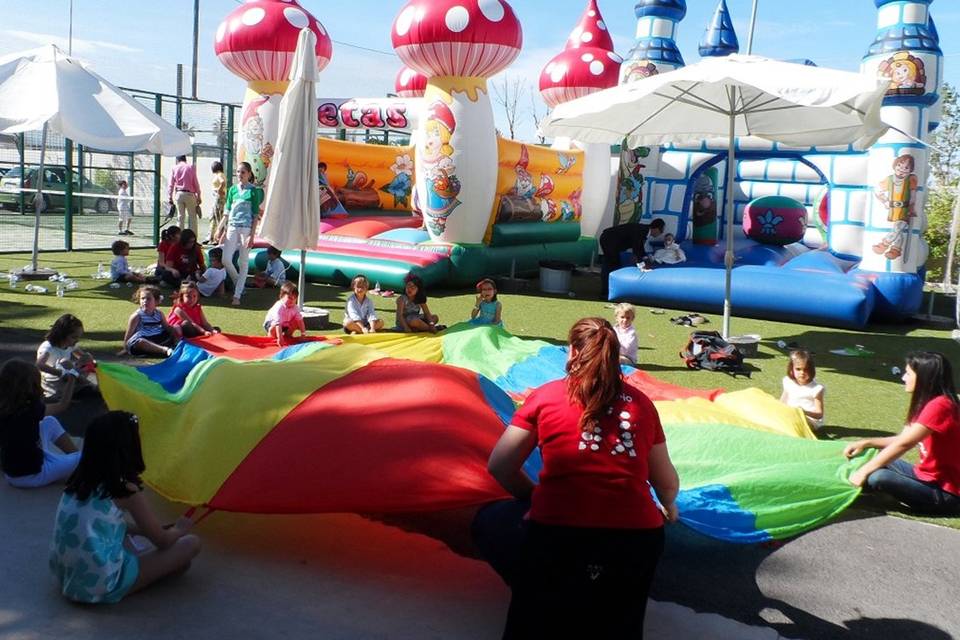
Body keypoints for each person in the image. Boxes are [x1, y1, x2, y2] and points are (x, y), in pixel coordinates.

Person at [472, 317, 679, 638]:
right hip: (635, 540)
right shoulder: (642, 405)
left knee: (490, 521)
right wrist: (669, 505)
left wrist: (531, 496)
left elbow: (500, 465)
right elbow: (666, 482)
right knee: (620, 622)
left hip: (556, 534)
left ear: (571, 351)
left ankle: (541, 594)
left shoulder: (545, 396)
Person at [49, 411, 201, 604]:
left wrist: (143, 531)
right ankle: (132, 577)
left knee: (134, 540)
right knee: (191, 544)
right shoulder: (125, 489)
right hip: (100, 585)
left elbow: (99, 523)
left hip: (67, 577)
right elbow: (163, 541)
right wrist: (180, 529)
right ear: (129, 448)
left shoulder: (77, 481)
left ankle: (140, 564)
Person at [845, 352, 960, 515]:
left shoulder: (941, 406)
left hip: (946, 493)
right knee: (869, 454)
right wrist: (866, 443)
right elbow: (902, 438)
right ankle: (874, 486)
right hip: (925, 475)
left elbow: (904, 444)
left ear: (923, 378)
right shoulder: (926, 402)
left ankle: (875, 487)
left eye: (908, 374)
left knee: (878, 476)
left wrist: (863, 472)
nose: (903, 378)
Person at [0, 359, 80, 489]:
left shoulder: (5, 407)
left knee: (49, 422)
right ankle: (79, 463)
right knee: (89, 456)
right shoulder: (30, 410)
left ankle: (73, 460)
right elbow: (62, 405)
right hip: (34, 475)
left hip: (12, 473)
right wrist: (73, 376)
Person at [217, 162, 264, 306]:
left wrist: (251, 235)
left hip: (246, 229)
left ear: (249, 174)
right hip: (232, 227)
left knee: (243, 262)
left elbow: (255, 215)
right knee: (226, 259)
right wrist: (220, 228)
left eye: (243, 172)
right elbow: (227, 211)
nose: (240, 175)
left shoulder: (254, 191)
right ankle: (239, 283)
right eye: (238, 172)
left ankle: (237, 295)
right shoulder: (232, 190)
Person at [598, 218, 665, 299]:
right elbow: (636, 248)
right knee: (611, 264)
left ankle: (608, 290)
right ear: (656, 229)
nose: (661, 233)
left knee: (613, 264)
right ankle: (605, 292)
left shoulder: (644, 230)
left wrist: (646, 258)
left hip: (609, 240)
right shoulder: (642, 230)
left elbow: (640, 248)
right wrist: (642, 266)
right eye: (661, 231)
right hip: (609, 240)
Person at [36, 314, 96, 401]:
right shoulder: (48, 347)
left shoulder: (69, 345)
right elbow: (39, 365)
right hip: (54, 383)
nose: (77, 340)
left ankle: (87, 383)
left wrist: (93, 365)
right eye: (74, 337)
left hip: (68, 377)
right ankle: (89, 384)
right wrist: (60, 373)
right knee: (65, 362)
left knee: (87, 356)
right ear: (62, 334)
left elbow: (83, 357)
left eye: (78, 337)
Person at [120, 286, 181, 358]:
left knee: (176, 328)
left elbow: (166, 327)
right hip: (144, 338)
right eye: (142, 298)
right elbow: (128, 335)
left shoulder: (159, 313)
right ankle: (165, 350)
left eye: (148, 299)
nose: (145, 301)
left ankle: (177, 345)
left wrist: (175, 330)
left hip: (158, 337)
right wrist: (125, 348)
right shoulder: (137, 316)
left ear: (156, 301)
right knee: (140, 342)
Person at [780, 349, 825, 430]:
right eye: (798, 369)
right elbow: (782, 401)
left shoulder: (816, 389)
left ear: (811, 370)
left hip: (809, 420)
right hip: (791, 414)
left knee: (794, 423)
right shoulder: (788, 381)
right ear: (791, 369)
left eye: (806, 369)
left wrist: (803, 412)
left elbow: (819, 414)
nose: (802, 372)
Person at [263, 282, 307, 347]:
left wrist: (303, 334)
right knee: (274, 329)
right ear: (281, 297)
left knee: (297, 321)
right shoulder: (279, 307)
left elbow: (300, 321)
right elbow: (278, 324)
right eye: (289, 298)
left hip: (285, 324)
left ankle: (287, 335)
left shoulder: (295, 307)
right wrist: (280, 338)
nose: (292, 301)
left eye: (294, 298)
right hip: (272, 324)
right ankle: (272, 334)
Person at [167, 155, 202, 233]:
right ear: (185, 159)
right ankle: (193, 239)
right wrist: (199, 195)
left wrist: (170, 197)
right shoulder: (191, 167)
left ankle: (179, 239)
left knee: (180, 218)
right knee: (192, 218)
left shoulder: (174, 168)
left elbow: (171, 184)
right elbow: (195, 183)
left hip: (179, 194)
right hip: (190, 194)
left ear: (177, 160)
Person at [205, 161, 226, 245]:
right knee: (214, 216)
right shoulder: (219, 174)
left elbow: (223, 182)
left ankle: (218, 238)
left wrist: (219, 190)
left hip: (218, 198)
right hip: (217, 197)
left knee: (218, 217)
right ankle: (212, 237)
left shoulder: (219, 174)